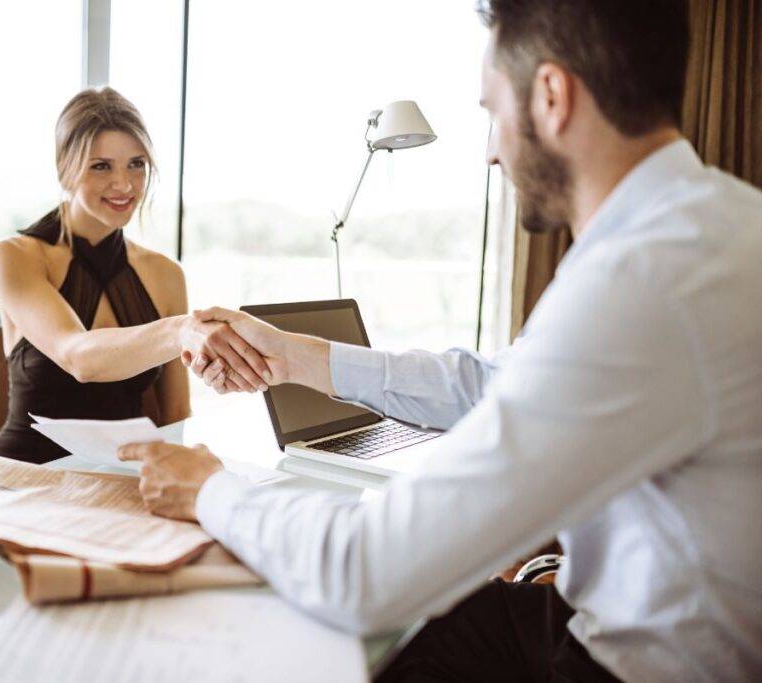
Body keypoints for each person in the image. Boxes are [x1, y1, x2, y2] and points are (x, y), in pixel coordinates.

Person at [118, 1, 762, 680]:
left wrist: (210, 490)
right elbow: (489, 384)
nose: (491, 150)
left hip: (638, 665)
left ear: (551, 96)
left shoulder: (639, 282)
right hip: (621, 615)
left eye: (491, 109)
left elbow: (368, 571)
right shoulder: (706, 225)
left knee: (323, 639)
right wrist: (291, 356)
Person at [0, 87, 269, 464]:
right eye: (101, 166)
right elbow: (78, 358)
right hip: (27, 476)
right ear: (65, 169)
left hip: (125, 478)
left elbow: (176, 415)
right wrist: (179, 330)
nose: (124, 184)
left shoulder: (166, 274)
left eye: (136, 164)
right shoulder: (15, 256)